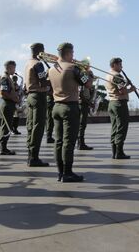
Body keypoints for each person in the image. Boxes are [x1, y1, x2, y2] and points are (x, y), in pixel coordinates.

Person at [48, 42, 91, 182]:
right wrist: (88, 71)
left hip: (56, 106)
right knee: (69, 142)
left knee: (59, 141)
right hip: (70, 107)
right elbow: (88, 84)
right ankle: (68, 172)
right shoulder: (73, 68)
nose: (73, 56)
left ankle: (60, 172)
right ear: (68, 53)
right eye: (72, 53)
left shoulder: (52, 69)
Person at [24, 43, 50, 166]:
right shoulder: (38, 64)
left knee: (31, 125)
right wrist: (51, 74)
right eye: (43, 51)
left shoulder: (28, 63)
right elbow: (43, 82)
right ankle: (34, 157)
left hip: (30, 96)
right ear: (40, 51)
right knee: (38, 127)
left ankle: (30, 154)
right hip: (38, 96)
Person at [106, 57, 134, 159]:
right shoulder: (117, 75)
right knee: (122, 127)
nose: (122, 67)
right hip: (119, 103)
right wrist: (131, 89)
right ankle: (119, 152)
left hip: (112, 103)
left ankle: (115, 152)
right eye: (120, 65)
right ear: (114, 65)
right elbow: (122, 91)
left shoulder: (108, 74)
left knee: (114, 127)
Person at [0, 61, 19, 155]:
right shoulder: (4, 78)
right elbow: (3, 92)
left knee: (8, 126)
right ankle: (3, 148)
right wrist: (14, 98)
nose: (14, 70)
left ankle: (4, 147)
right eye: (14, 68)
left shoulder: (8, 78)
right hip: (7, 104)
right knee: (6, 126)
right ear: (9, 68)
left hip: (9, 104)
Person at [77, 76, 95, 151]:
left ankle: (81, 143)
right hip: (82, 104)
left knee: (82, 125)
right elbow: (80, 94)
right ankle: (81, 144)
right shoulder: (83, 80)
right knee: (82, 125)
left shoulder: (84, 80)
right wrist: (89, 103)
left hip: (84, 104)